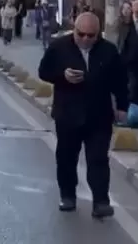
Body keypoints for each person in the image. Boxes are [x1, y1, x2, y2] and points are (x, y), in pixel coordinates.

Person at [37, 11, 127, 218]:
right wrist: (63, 76)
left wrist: (122, 106)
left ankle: (101, 201)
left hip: (99, 115)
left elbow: (120, 80)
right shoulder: (58, 47)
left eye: (91, 35)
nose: (86, 39)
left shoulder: (108, 50)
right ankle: (68, 196)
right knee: (67, 158)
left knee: (98, 159)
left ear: (98, 34)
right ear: (74, 30)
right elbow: (43, 71)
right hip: (68, 114)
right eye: (81, 34)